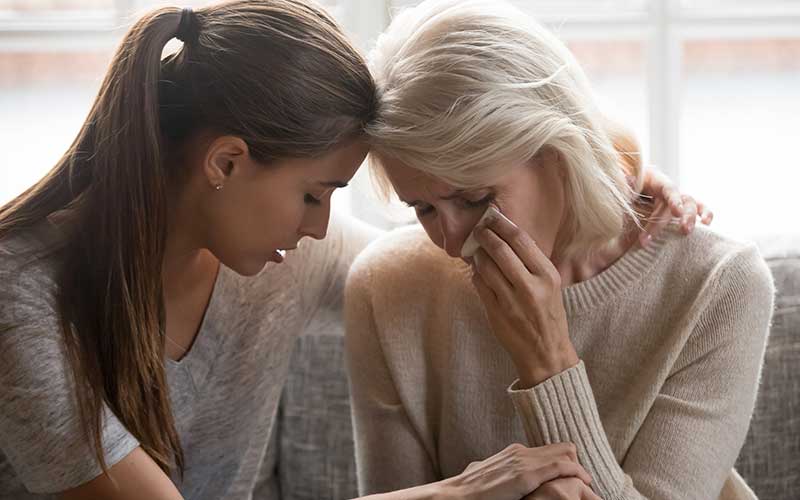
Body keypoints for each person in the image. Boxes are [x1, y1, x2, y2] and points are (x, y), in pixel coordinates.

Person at [0, 1, 710, 499]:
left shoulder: (286, 254)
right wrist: (454, 495)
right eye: (315, 194)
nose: (320, 228)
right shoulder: (21, 294)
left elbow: (430, 273)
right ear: (225, 164)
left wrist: (606, 175)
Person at [345, 1, 773, 499]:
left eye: (475, 199)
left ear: (558, 150)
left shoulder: (719, 285)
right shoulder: (386, 287)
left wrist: (549, 364)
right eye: (422, 209)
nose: (454, 243)